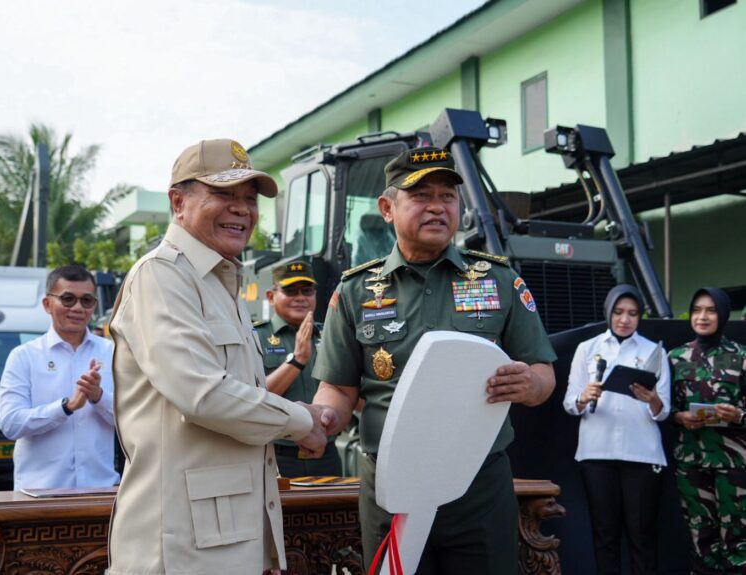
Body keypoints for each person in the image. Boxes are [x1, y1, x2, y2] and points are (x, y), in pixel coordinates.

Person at [311, 146, 557, 574]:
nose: (437, 207)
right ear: (388, 208)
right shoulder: (353, 292)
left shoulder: (499, 280)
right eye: (421, 197)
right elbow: (338, 388)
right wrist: (322, 418)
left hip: (478, 484)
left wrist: (531, 385)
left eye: (447, 196)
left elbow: (543, 372)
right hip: (391, 485)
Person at [107, 139, 326, 575]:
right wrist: (302, 421)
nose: (242, 209)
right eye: (224, 194)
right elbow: (202, 394)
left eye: (249, 199)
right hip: (180, 545)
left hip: (223, 536)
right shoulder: (162, 275)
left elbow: (240, 395)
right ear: (178, 202)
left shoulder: (218, 281)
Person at [563, 284, 670, 575]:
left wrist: (653, 399)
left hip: (642, 455)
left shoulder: (653, 351)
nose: (625, 319)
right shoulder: (588, 348)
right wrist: (584, 397)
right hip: (597, 452)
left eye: (633, 313)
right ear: (609, 312)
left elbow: (664, 412)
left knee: (642, 536)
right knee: (604, 535)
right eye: (619, 312)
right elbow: (569, 403)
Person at [0, 265, 119, 491]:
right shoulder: (24, 356)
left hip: (100, 489)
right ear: (47, 304)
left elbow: (131, 421)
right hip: (39, 492)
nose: (77, 308)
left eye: (86, 301)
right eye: (68, 299)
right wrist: (66, 407)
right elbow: (11, 424)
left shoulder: (112, 353)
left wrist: (98, 397)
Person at [669, 287, 746, 574]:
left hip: (733, 464)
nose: (702, 316)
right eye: (697, 309)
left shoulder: (741, 356)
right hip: (691, 462)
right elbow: (665, 410)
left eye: (711, 310)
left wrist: (738, 415)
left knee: (737, 540)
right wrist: (680, 417)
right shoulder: (676, 357)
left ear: (723, 315)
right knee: (700, 538)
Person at [255, 260, 342, 478]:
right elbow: (253, 396)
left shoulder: (330, 334)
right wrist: (297, 360)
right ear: (271, 296)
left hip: (326, 452)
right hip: (276, 452)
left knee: (333, 511)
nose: (300, 297)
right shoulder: (256, 336)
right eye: (290, 291)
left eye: (307, 290)